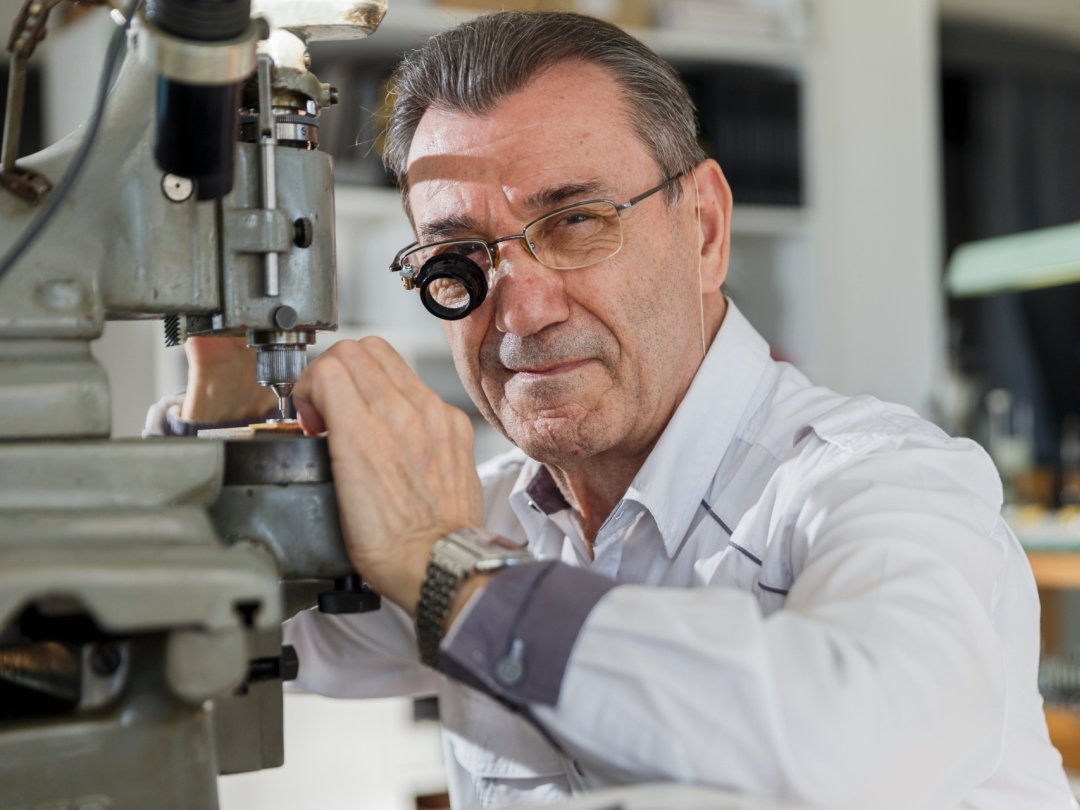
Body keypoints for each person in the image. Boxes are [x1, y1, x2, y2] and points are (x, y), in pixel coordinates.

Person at [150, 11, 1077, 810]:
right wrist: (220, 406)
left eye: (577, 221)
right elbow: (225, 630)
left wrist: (451, 580)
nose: (520, 310)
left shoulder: (888, 480)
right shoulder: (488, 522)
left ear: (705, 228)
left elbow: (853, 742)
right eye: (457, 260)